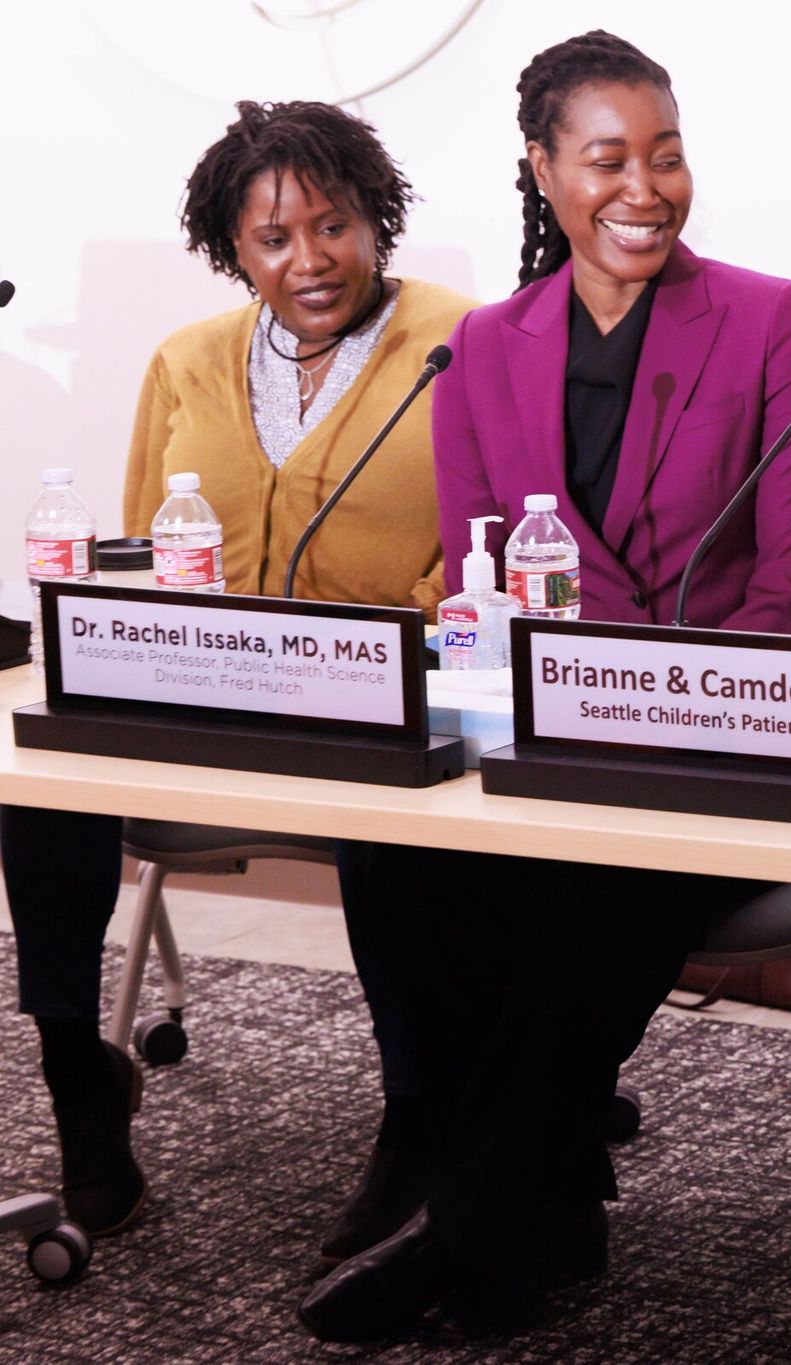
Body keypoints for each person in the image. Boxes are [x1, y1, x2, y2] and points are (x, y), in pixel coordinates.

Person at [299, 30, 791, 1343]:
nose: (646, 186)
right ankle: (507, 1172)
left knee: (592, 875)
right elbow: (476, 583)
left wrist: (653, 708)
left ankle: (477, 1217)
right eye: (609, 157)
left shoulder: (774, 320)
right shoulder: (486, 349)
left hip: (729, 738)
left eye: (667, 154)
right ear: (543, 170)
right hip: (544, 735)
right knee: (395, 843)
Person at [1, 100, 470, 1246]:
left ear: (376, 221)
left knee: (392, 812)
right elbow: (135, 543)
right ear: (233, 251)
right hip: (197, 694)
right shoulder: (188, 358)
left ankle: (416, 1120)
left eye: (334, 226)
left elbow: (490, 555)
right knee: (39, 767)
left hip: (378, 703)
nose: (309, 259)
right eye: (274, 239)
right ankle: (78, 1071)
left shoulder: (462, 341)